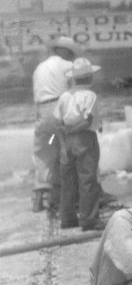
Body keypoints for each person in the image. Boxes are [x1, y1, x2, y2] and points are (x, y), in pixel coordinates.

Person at [53, 58, 105, 231]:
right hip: (84, 139)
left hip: (65, 141)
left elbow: (58, 124)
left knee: (68, 181)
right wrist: (71, 132)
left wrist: (62, 146)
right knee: (87, 179)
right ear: (89, 77)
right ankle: (89, 219)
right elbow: (86, 121)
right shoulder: (90, 96)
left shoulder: (64, 96)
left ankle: (67, 219)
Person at [32, 36, 78, 213]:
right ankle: (65, 200)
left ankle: (38, 199)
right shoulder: (68, 66)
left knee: (44, 154)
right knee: (67, 152)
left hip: (43, 111)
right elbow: (75, 93)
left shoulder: (40, 68)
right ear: (66, 51)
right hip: (61, 107)